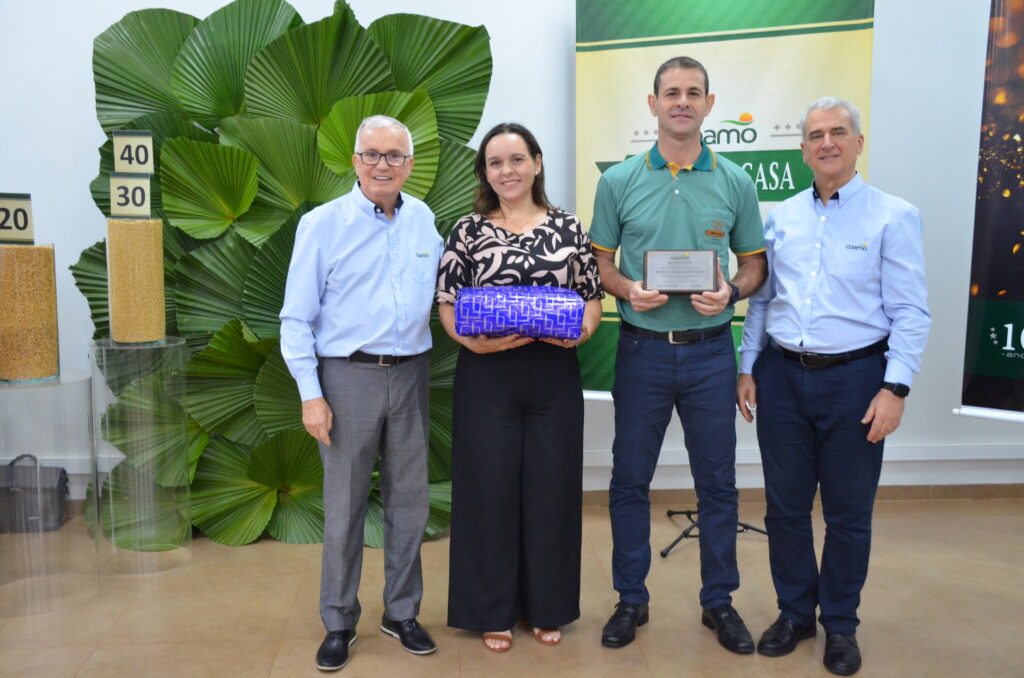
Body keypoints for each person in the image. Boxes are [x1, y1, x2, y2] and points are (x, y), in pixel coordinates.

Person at [737, 97, 930, 676]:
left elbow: (911, 312)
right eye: (816, 135)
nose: (827, 143)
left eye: (838, 133)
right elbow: (764, 300)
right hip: (781, 377)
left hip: (857, 381)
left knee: (848, 515)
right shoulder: (781, 217)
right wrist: (748, 366)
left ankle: (840, 624)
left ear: (858, 143)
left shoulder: (894, 216)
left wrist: (895, 389)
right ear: (802, 149)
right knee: (785, 509)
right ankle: (795, 612)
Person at [588, 56, 767, 654]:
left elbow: (755, 264)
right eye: (671, 93)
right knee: (629, 480)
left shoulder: (736, 181)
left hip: (711, 355)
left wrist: (733, 292)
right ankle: (630, 600)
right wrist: (628, 290)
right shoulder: (618, 180)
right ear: (653, 103)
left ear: (709, 105)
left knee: (718, 483)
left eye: (693, 93)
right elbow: (602, 264)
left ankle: (719, 602)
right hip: (641, 352)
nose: (681, 102)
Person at [279, 115, 443, 672]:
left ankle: (400, 612)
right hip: (346, 376)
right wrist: (310, 392)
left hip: (412, 373)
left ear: (410, 165)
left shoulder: (424, 220)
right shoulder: (322, 224)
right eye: (371, 154)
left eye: (394, 156)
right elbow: (295, 319)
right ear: (353, 161)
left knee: (408, 500)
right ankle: (339, 619)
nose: (382, 165)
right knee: (345, 506)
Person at [436, 122, 604, 652]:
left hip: (554, 372)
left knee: (552, 490)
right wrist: (469, 342)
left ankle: (547, 607)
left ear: (536, 163)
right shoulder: (466, 230)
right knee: (487, 489)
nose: (506, 171)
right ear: (484, 172)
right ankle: (492, 609)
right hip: (486, 374)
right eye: (494, 162)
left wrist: (582, 332)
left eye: (515, 159)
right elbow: (446, 302)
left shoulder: (569, 227)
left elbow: (592, 297)